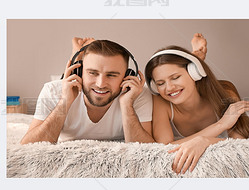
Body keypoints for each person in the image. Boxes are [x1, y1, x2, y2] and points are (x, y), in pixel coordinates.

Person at [144, 33, 249, 174]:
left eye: (175, 77)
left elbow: (240, 143)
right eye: (160, 83)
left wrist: (205, 141)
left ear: (195, 73)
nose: (169, 88)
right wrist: (220, 125)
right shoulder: (161, 103)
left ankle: (196, 58)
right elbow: (165, 147)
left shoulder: (226, 93)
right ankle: (196, 56)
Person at [21, 37, 153, 144]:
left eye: (112, 75)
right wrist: (65, 102)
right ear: (78, 72)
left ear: (127, 76)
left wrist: (126, 105)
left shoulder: (138, 93)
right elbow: (29, 147)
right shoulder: (52, 90)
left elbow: (147, 150)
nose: (101, 84)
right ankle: (76, 53)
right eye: (92, 73)